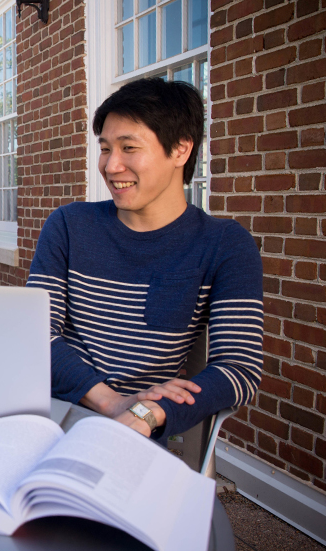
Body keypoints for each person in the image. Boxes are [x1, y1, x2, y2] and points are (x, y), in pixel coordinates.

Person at [26, 78, 263, 439]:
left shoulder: (225, 245)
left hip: (135, 431)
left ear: (181, 149)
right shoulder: (69, 225)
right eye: (105, 148)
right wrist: (111, 402)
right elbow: (34, 333)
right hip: (46, 410)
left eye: (129, 147)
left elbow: (239, 369)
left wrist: (149, 411)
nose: (111, 165)